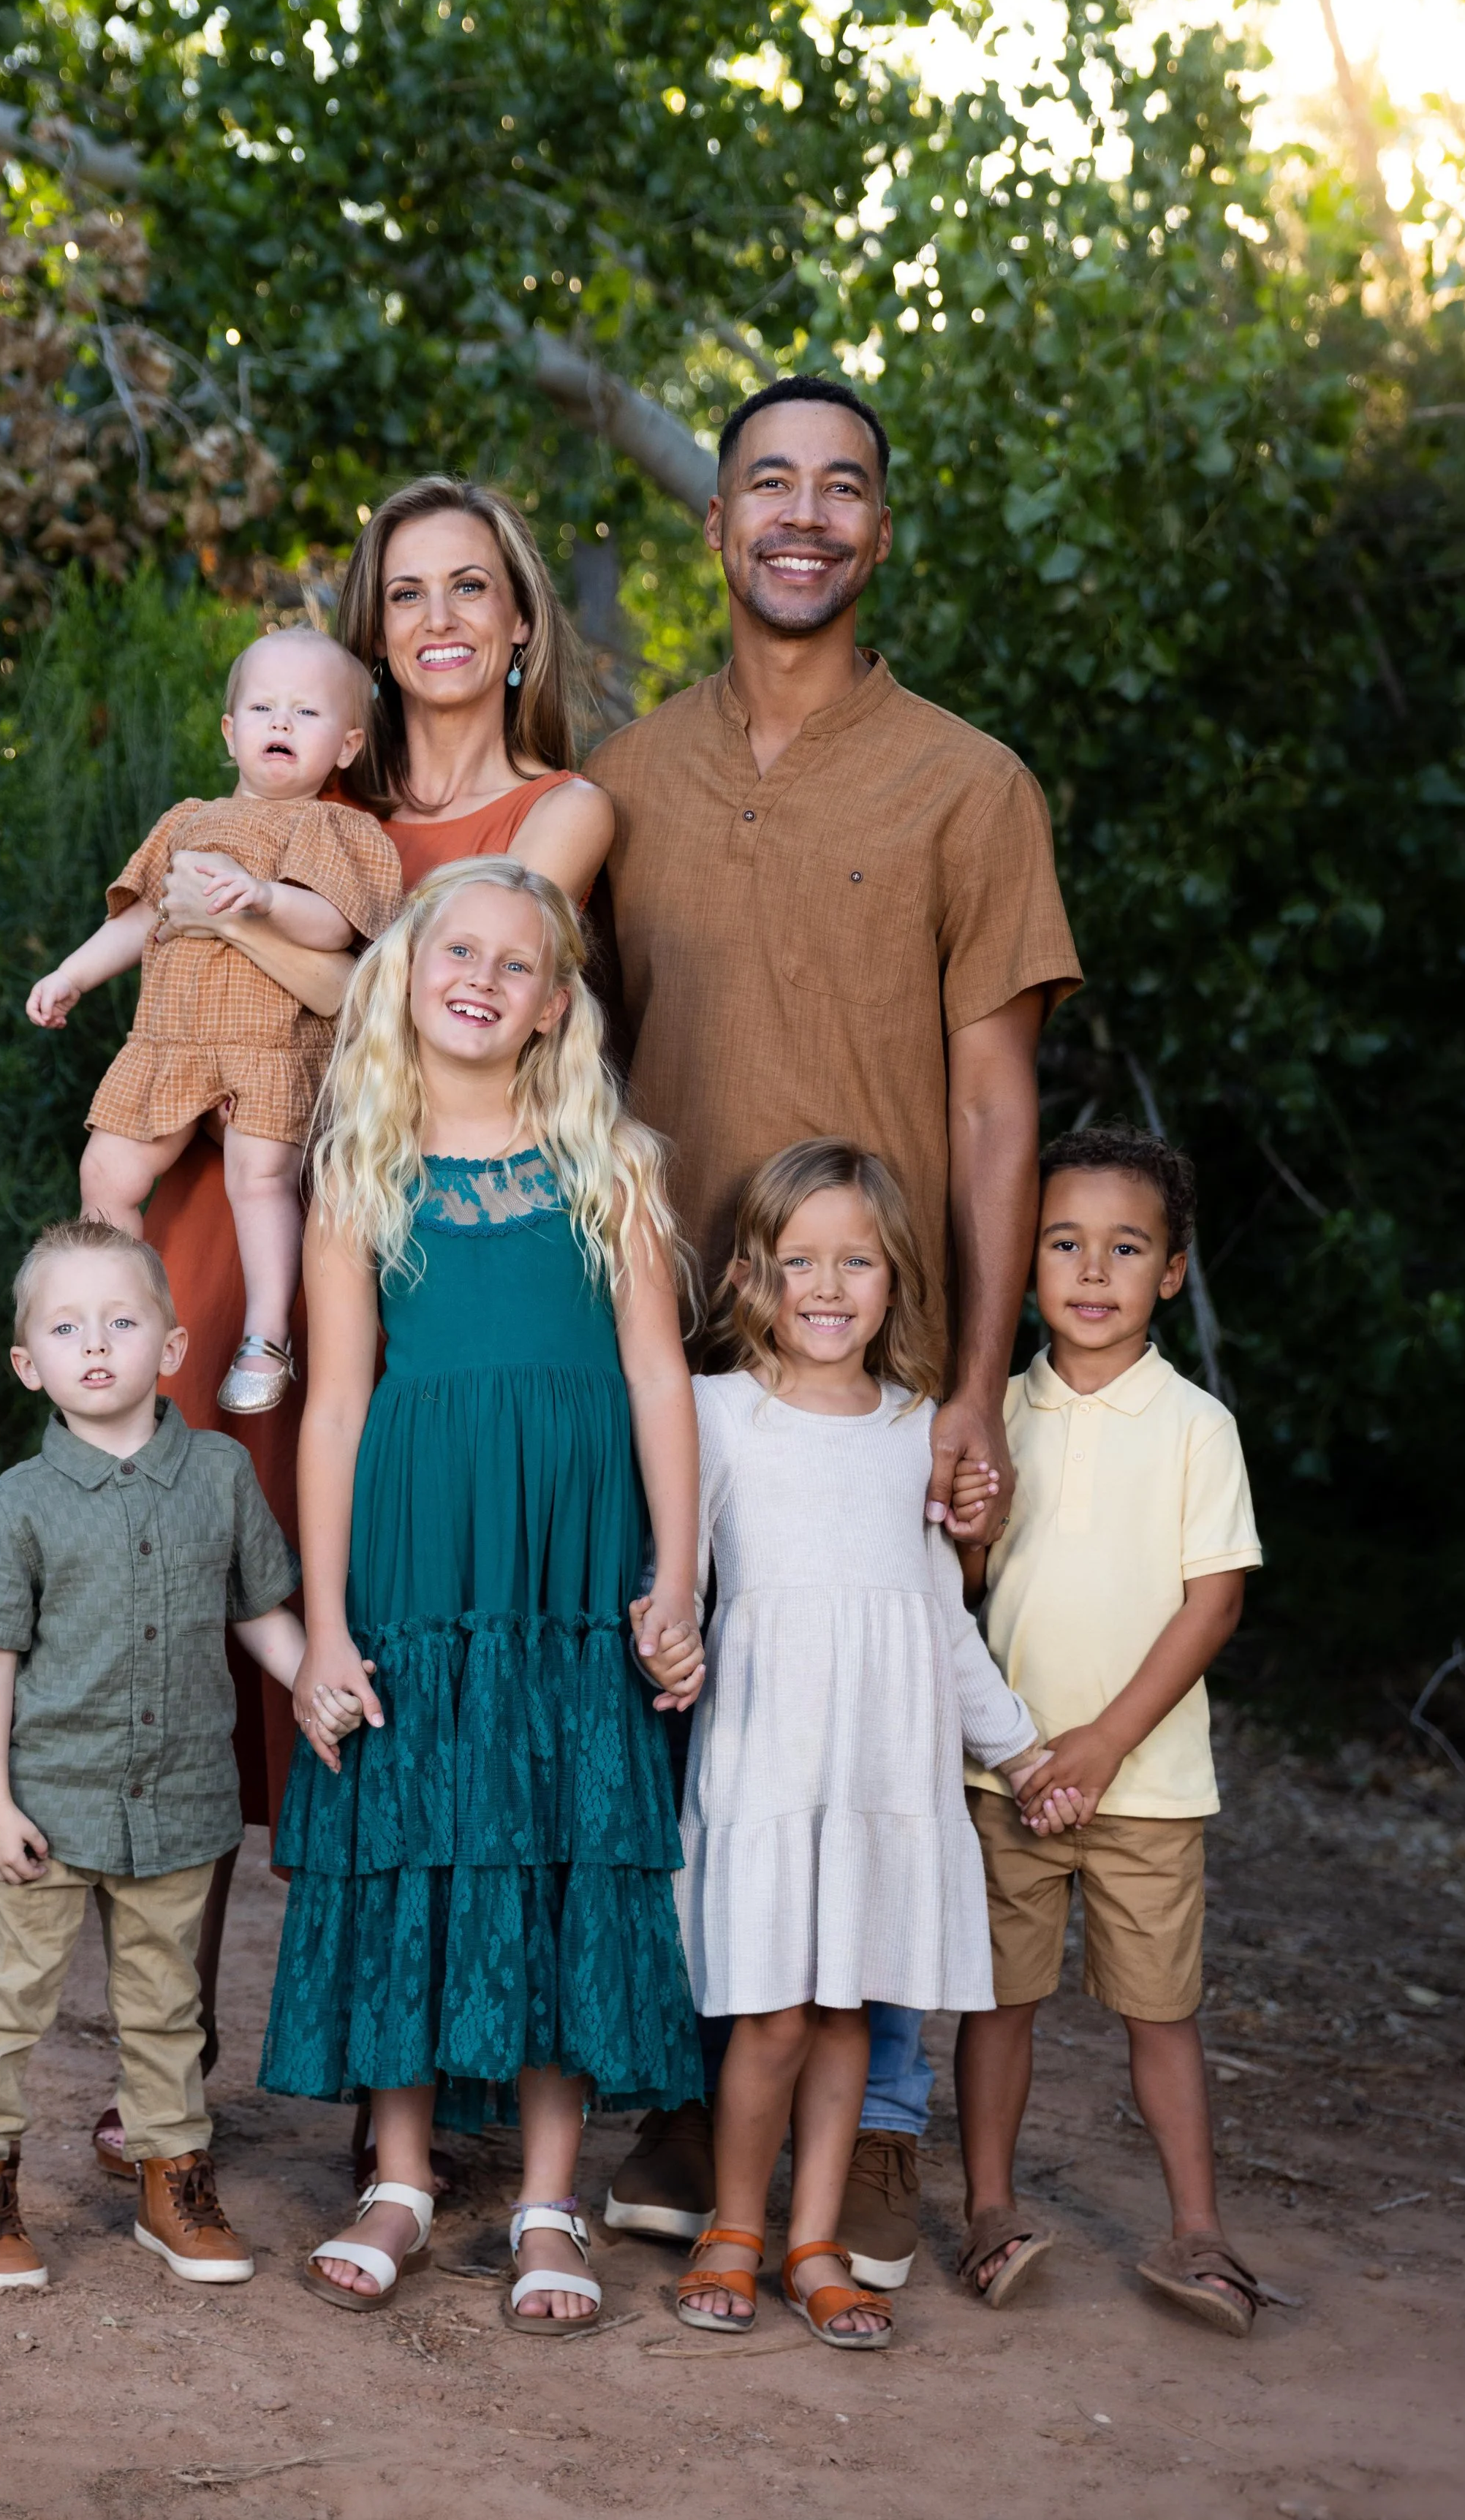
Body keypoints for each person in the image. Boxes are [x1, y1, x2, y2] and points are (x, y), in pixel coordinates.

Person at [586, 371, 1083, 2278]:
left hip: (881, 1376)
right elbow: (572, 1057)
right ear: (714, 527)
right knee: (696, 1718)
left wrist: (972, 1380)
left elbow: (990, 1103)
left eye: (842, 486)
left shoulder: (966, 782)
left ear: (881, 529)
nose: (801, 513)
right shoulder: (624, 781)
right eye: (765, 483)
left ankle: (868, 2129)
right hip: (676, 1365)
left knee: (875, 1721)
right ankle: (689, 2098)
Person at [84, 483, 615, 2176]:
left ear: (521, 620)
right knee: (199, 1617)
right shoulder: (309, 787)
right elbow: (168, 955)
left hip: (413, 1254)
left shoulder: (562, 808)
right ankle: (169, 2056)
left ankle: (431, 2040)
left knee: (372, 1615)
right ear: (372, 636)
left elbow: (425, 981)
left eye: (474, 588)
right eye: (406, 594)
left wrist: (234, 905)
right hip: (242, 1220)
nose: (442, 616)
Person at [260, 859, 705, 2329]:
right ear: (404, 965)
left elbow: (656, 1374)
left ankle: (544, 2196)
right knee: (412, 1840)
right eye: (458, 949)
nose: (481, 977)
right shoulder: (358, 1165)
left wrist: (678, 1568)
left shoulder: (607, 1163)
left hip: (571, 1568)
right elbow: (330, 1407)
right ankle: (397, 2173)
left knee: (559, 1840)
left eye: (517, 964)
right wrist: (324, 1621)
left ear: (554, 1003)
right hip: (415, 1558)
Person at [0, 1219, 362, 2291]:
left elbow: (261, 1609)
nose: (96, 1345)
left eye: (122, 1322)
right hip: (48, 1807)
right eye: (67, 1327)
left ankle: (173, 2181)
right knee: (8, 2003)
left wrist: (317, 1681)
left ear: (171, 1346)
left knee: (168, 2006)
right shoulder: (18, 1507)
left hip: (182, 1806)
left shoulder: (217, 1474)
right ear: (30, 1365)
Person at [671, 1141, 1048, 2350]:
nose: (827, 1287)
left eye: (857, 1261)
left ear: (893, 1281)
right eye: (799, 1262)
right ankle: (734, 2222)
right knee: (771, 2015)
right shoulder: (715, 1410)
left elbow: (942, 1621)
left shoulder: (921, 1432)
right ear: (748, 1277)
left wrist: (1024, 1749)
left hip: (882, 1764)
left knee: (848, 2015)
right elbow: (671, 1570)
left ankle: (815, 2241)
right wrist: (662, 1635)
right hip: (774, 1755)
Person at [952, 1126, 1265, 2334]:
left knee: (1161, 2011)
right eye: (1064, 1243)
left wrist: (1100, 1746)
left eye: (1125, 1247)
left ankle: (1199, 2230)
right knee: (1000, 2002)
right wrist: (970, 1525)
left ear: (1172, 1271)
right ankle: (989, 2210)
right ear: (1024, 1264)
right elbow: (966, 1581)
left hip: (1149, 1785)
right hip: (1007, 1772)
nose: (1093, 1271)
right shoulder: (995, 1414)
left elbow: (1214, 1599)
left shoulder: (1195, 1426)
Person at [26, 631, 401, 1416]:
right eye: (263, 707)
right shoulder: (186, 822)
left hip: (267, 1047)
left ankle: (267, 1333)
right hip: (170, 1044)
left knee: (259, 1176)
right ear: (230, 731)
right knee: (106, 1172)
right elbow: (141, 921)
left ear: (346, 745)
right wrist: (72, 974)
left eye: (307, 712)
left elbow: (335, 926)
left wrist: (263, 897)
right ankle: (123, 1316)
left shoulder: (335, 831)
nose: (282, 722)